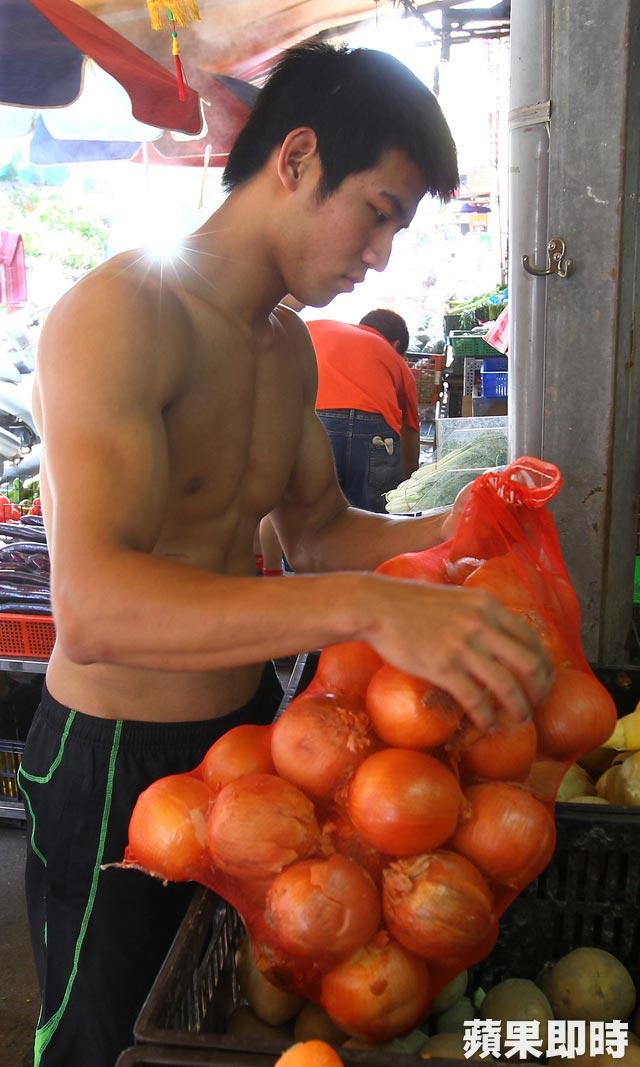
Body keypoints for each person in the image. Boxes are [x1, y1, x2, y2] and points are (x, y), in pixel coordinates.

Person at [21, 42, 553, 1067]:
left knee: (220, 1027)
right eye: (380, 210)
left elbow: (313, 532)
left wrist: (459, 527)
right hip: (117, 759)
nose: (382, 254)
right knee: (105, 1036)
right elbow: (95, 604)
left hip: (251, 744)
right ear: (298, 158)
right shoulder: (120, 314)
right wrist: (366, 605)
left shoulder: (287, 343)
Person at [308, 309, 420, 511]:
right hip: (374, 430)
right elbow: (410, 430)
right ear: (396, 345)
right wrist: (410, 483)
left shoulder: (315, 327)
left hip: (318, 422)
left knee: (316, 515)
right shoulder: (397, 361)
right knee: (377, 516)